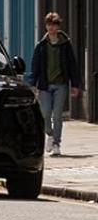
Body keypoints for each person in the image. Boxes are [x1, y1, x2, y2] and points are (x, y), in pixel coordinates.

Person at [30, 11, 81, 156]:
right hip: (45, 86)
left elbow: (72, 65)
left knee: (57, 115)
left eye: (54, 25)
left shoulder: (65, 44)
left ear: (58, 27)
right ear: (46, 26)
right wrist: (33, 83)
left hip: (61, 85)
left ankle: (57, 143)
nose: (51, 28)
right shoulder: (41, 45)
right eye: (49, 25)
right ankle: (50, 135)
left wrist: (75, 84)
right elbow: (36, 66)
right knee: (46, 114)